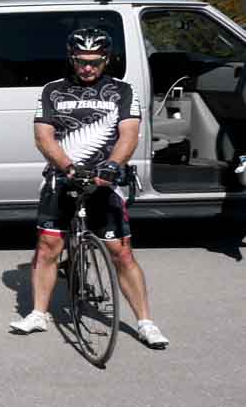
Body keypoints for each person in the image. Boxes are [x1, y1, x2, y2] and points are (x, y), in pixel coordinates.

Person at [11, 28, 167, 348]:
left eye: (94, 62)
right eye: (81, 61)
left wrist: (112, 166)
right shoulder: (52, 91)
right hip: (62, 178)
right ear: (71, 59)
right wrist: (68, 167)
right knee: (48, 247)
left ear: (106, 60)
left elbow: (129, 134)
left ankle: (146, 322)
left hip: (104, 181)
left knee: (121, 253)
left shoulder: (122, 90)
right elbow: (43, 137)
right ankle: (38, 314)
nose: (87, 68)